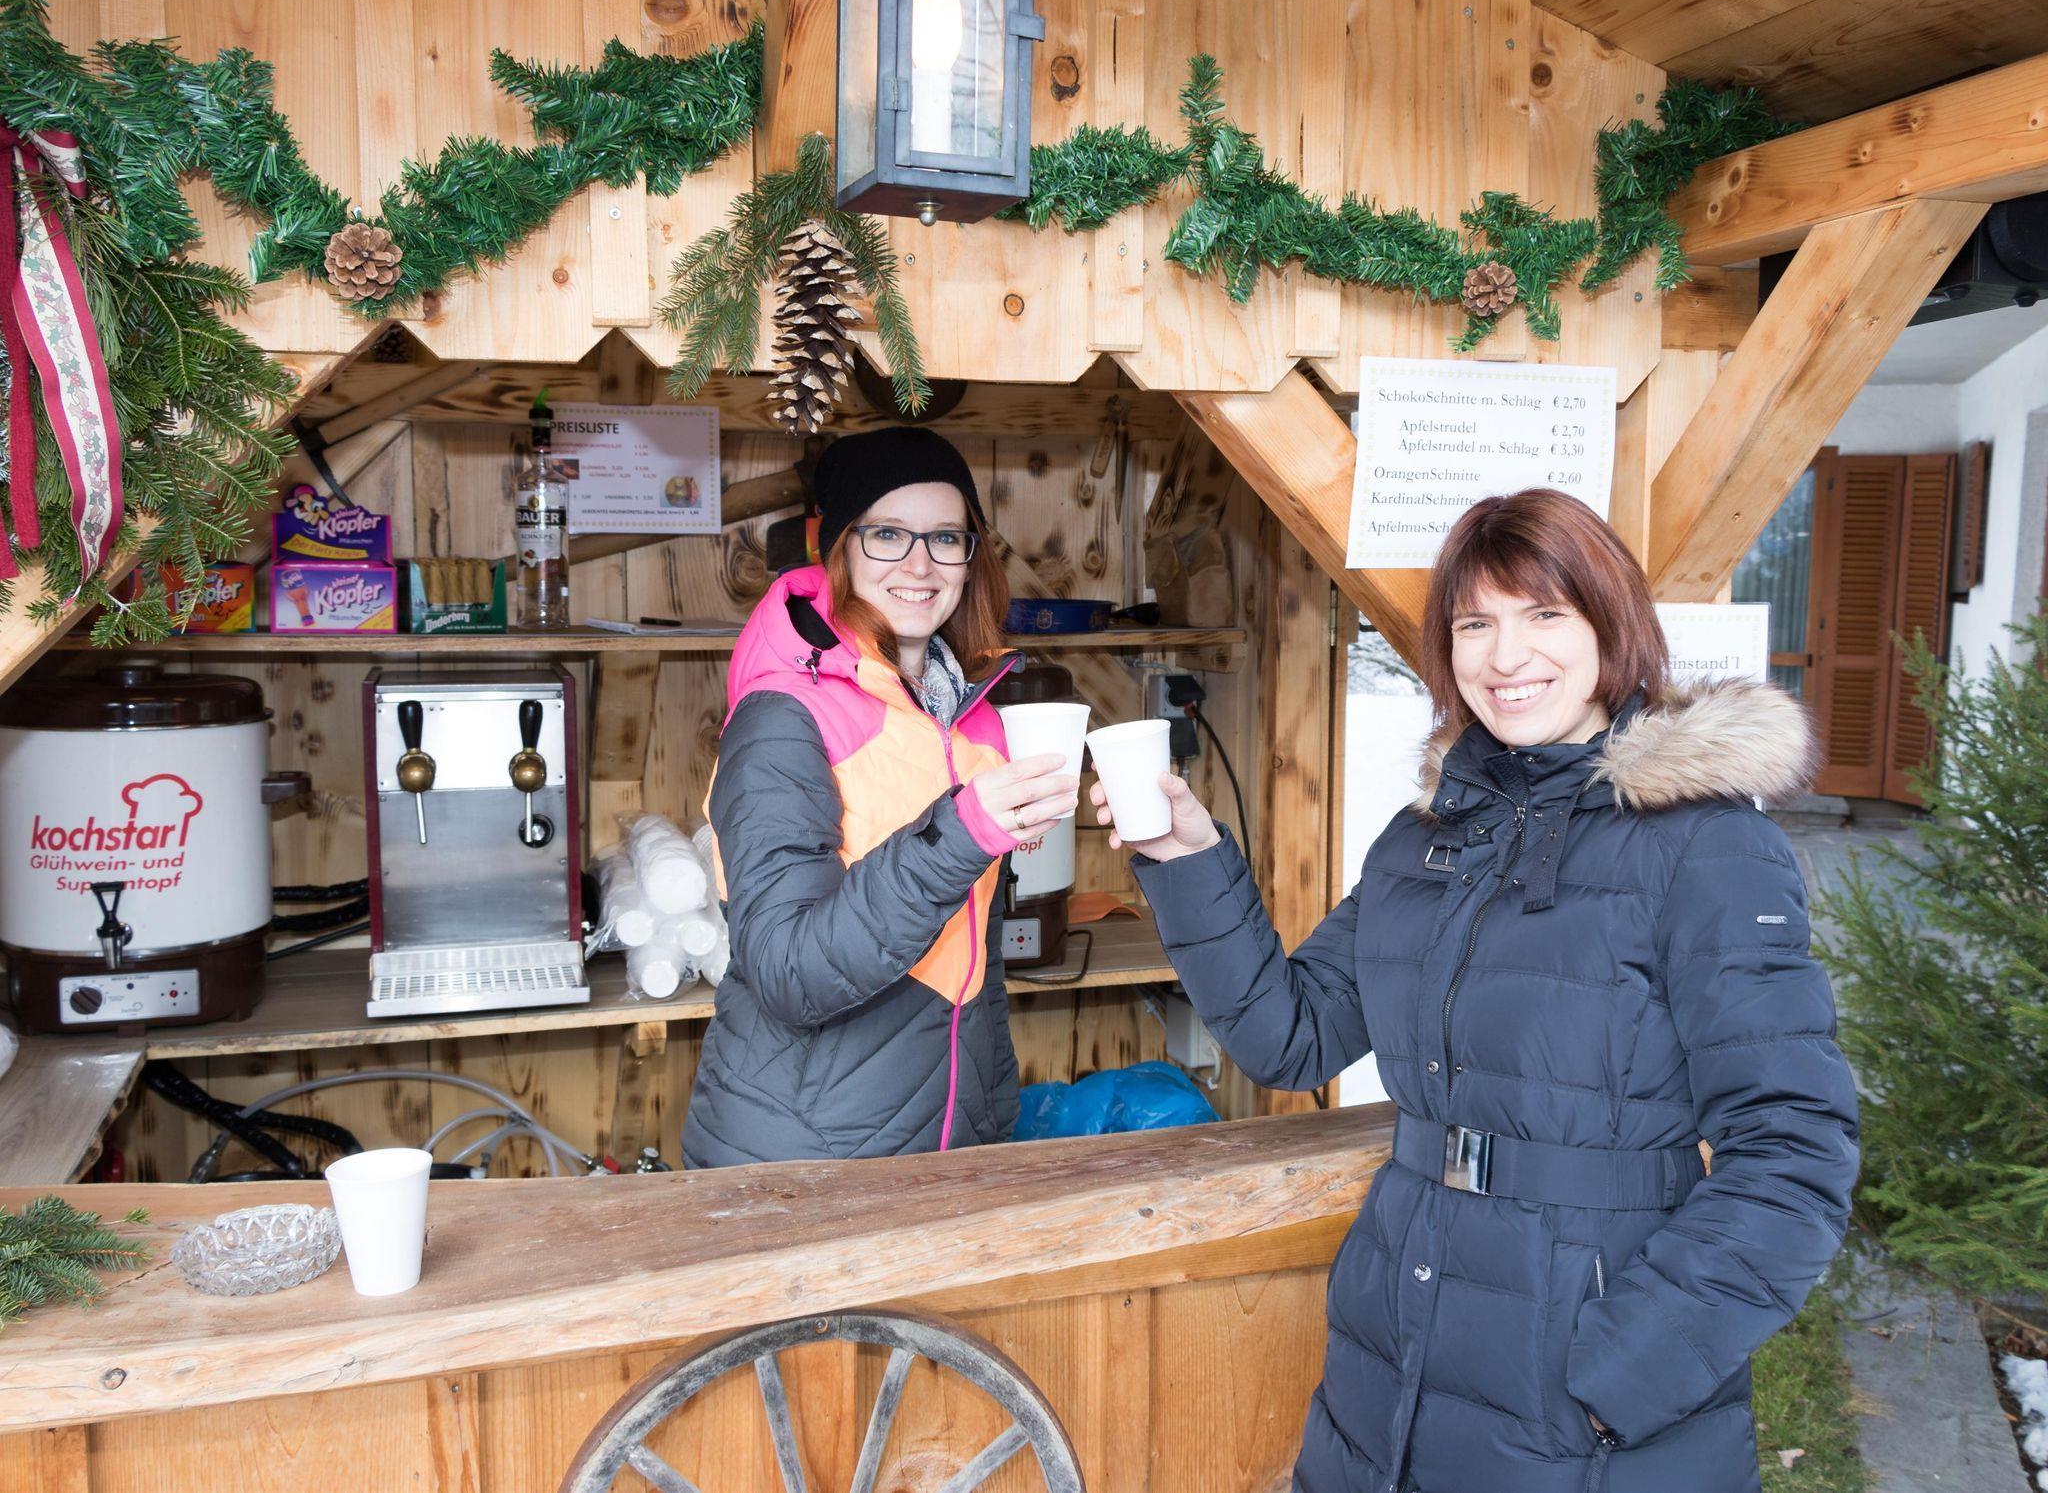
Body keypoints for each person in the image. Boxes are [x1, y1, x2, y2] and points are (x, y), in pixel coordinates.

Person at [1096, 489, 1859, 1493]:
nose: (1506, 656)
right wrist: (1187, 856)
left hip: (1579, 1387)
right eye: (1473, 624)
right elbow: (1291, 1035)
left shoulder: (1704, 845)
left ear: (1609, 624)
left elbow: (1793, 1153)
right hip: (1390, 1349)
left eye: (1543, 614)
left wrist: (1623, 1375)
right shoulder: (1426, 840)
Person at [682, 427, 1077, 1168]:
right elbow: (788, 971)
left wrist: (992, 1105)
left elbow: (973, 951)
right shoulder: (783, 718)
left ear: (972, 556)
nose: (920, 565)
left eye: (946, 538)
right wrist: (961, 833)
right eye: (889, 534)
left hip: (948, 1144)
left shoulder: (970, 715)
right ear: (839, 548)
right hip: (802, 1163)